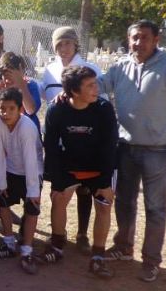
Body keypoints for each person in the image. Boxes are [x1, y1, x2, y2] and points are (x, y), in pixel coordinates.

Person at [99, 20, 166, 282]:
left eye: (144, 37)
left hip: (157, 150)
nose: (139, 42)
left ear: (156, 39)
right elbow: (98, 87)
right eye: (134, 38)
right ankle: (123, 247)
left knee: (155, 207)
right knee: (125, 202)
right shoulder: (120, 67)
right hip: (126, 147)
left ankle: (151, 260)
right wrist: (68, 90)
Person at [41, 66, 119, 279]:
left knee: (104, 205)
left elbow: (110, 147)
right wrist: (57, 181)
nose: (97, 88)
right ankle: (57, 246)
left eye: (96, 83)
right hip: (70, 165)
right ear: (74, 92)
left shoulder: (104, 109)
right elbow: (51, 147)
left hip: (99, 166)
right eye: (90, 85)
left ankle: (98, 257)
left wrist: (104, 183)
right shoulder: (56, 110)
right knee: (58, 199)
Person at [41, 26, 104, 255]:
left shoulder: (91, 69)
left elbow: (100, 101)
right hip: (58, 139)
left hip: (85, 138)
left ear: (75, 44)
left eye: (67, 43)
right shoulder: (49, 70)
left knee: (85, 190)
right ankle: (59, 234)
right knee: (59, 189)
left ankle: (83, 233)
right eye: (59, 44)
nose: (63, 48)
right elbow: (42, 96)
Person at [0, 87, 42, 274]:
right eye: (2, 108)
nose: (6, 113)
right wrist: (2, 184)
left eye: (11, 108)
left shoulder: (27, 127)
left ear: (20, 109)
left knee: (32, 208)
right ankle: (9, 243)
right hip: (11, 170)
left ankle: (27, 251)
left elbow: (30, 160)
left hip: (32, 173)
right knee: (1, 201)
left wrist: (33, 191)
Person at [0, 52, 42, 130]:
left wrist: (21, 85)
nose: (7, 79)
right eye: (4, 74)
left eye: (11, 73)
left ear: (21, 71)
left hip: (28, 133)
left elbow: (31, 110)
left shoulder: (30, 85)